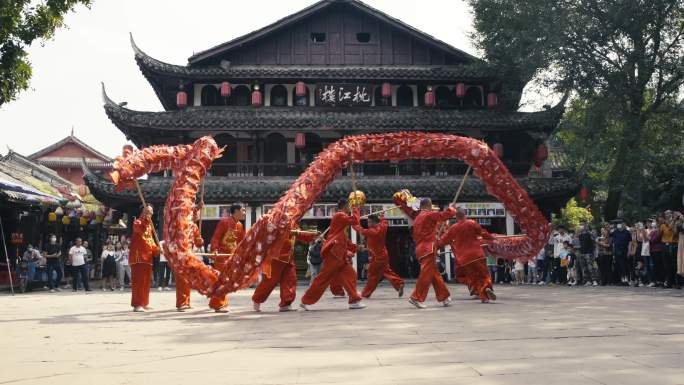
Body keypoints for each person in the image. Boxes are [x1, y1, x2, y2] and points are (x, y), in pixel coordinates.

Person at [300, 198, 366, 310]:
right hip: (334, 254)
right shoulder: (339, 215)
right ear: (345, 206)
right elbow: (354, 220)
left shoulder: (340, 224)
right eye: (349, 207)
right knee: (323, 279)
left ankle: (354, 301)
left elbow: (345, 241)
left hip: (339, 255)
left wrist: (356, 247)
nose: (349, 209)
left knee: (351, 275)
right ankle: (305, 301)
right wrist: (356, 209)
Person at [396, 196, 456, 309]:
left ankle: (444, 297)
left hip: (420, 248)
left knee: (434, 274)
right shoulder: (428, 214)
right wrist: (452, 209)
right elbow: (443, 216)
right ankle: (416, 297)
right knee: (426, 275)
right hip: (428, 248)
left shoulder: (418, 218)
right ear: (428, 205)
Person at [252, 224, 318, 312]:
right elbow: (271, 233)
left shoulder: (293, 223)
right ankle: (257, 299)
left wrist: (313, 235)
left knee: (290, 279)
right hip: (277, 257)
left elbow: (300, 235)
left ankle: (286, 304)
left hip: (289, 257)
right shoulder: (277, 221)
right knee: (270, 281)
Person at [437, 209, 495, 302]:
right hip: (477, 254)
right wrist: (491, 238)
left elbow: (444, 241)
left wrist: (435, 246)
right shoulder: (472, 223)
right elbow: (483, 233)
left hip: (464, 259)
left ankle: (483, 297)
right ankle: (487, 288)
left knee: (474, 278)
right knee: (484, 275)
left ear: (456, 217)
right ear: (465, 215)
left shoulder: (453, 228)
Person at [353, 214, 404, 298]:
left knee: (372, 275)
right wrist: (382, 215)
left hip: (376, 257)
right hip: (384, 255)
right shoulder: (383, 226)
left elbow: (359, 229)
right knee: (386, 271)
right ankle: (399, 283)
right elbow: (384, 221)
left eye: (369, 222)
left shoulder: (372, 231)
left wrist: (353, 223)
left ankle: (365, 293)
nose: (368, 224)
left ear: (373, 222)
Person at [209, 204, 246, 312]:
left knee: (226, 281)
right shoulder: (224, 222)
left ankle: (217, 302)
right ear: (236, 211)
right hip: (221, 256)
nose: (244, 212)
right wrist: (214, 250)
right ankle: (218, 304)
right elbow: (216, 237)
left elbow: (241, 242)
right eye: (243, 210)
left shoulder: (239, 225)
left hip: (231, 257)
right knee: (222, 280)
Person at [129, 205, 160, 312]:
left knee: (146, 282)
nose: (150, 214)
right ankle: (137, 304)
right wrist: (144, 219)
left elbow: (150, 241)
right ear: (143, 212)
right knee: (138, 282)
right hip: (138, 256)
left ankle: (144, 303)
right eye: (147, 212)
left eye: (151, 212)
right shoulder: (138, 222)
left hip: (148, 257)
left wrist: (157, 249)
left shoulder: (149, 227)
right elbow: (137, 229)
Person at [661, 211, 681, 289]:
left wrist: (675, 219)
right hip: (665, 245)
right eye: (666, 213)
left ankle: (678, 283)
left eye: (669, 213)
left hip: (673, 245)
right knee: (667, 265)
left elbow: (673, 230)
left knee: (674, 265)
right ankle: (669, 282)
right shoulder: (663, 225)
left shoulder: (676, 223)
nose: (668, 215)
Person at [611, 221, 631, 285]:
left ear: (623, 224)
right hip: (617, 251)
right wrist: (611, 228)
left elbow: (630, 242)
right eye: (618, 224)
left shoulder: (627, 232)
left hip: (625, 251)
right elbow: (610, 236)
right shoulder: (615, 232)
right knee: (619, 266)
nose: (619, 225)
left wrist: (629, 251)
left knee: (624, 265)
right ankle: (622, 280)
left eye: (620, 224)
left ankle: (626, 279)